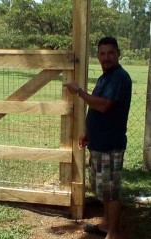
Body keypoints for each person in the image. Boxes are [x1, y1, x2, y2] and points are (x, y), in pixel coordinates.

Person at [64, 36, 132, 239]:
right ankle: (105, 224)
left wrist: (79, 91)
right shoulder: (105, 77)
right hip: (98, 142)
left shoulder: (119, 77)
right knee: (102, 188)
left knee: (111, 191)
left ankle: (113, 233)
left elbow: (103, 105)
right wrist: (88, 133)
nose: (106, 57)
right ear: (98, 56)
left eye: (110, 53)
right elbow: (97, 107)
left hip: (110, 145)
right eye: (102, 53)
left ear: (118, 53)